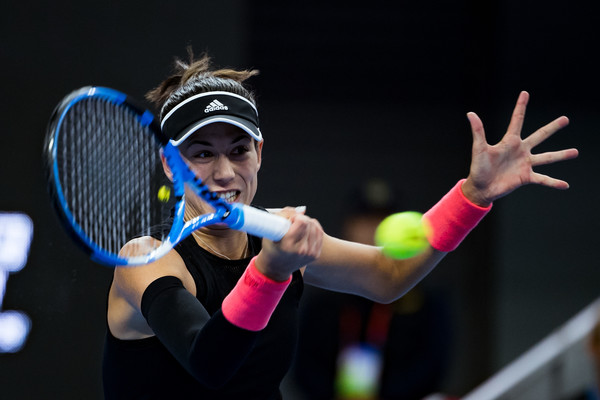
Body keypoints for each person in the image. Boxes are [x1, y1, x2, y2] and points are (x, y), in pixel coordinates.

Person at [102, 51, 579, 399]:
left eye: (238, 150)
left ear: (260, 153)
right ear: (170, 165)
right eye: (201, 153)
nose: (224, 172)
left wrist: (471, 197)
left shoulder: (276, 232)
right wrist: (270, 273)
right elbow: (210, 364)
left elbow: (388, 276)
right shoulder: (146, 260)